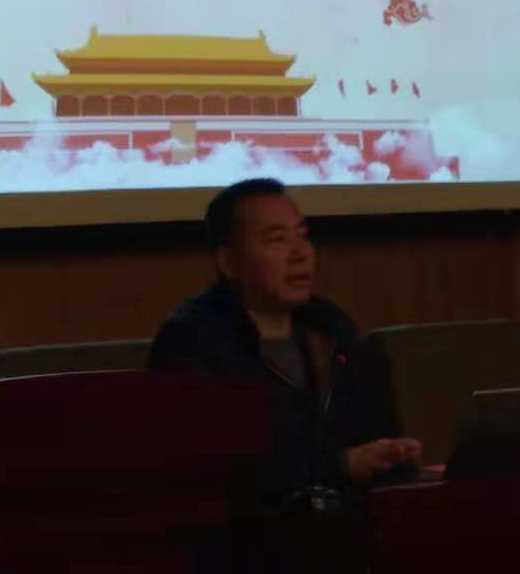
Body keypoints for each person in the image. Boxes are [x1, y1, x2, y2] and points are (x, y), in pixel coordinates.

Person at [150, 177, 422, 510]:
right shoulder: (191, 342)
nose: (300, 253)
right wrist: (339, 466)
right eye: (278, 239)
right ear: (229, 262)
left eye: (303, 236)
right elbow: (213, 469)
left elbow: (380, 437)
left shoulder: (331, 329)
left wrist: (396, 458)